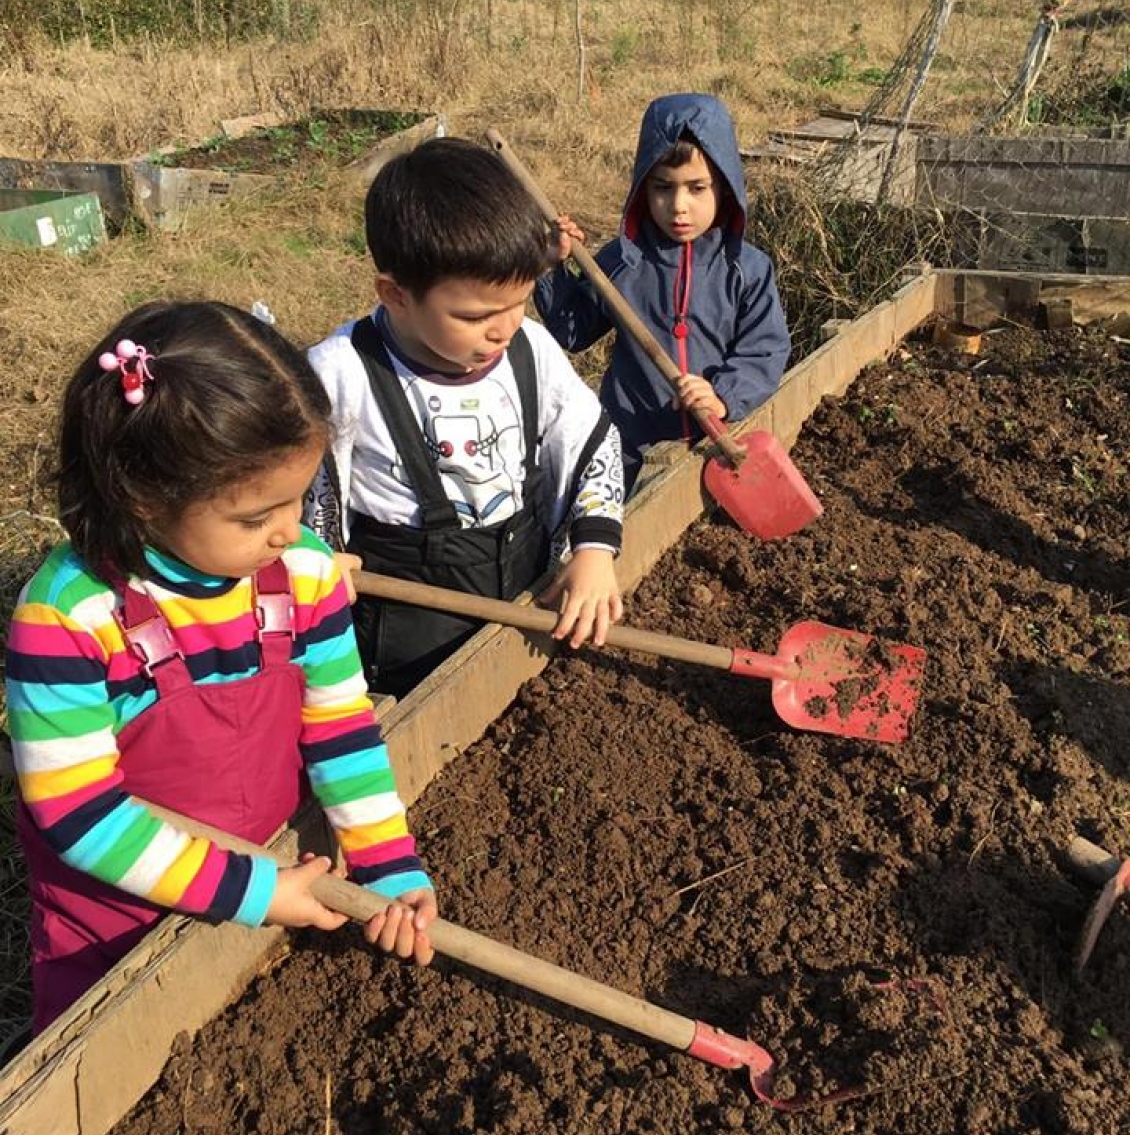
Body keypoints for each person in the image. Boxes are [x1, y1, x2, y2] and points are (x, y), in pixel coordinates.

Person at [5, 301, 436, 1036]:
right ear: (145, 497)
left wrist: (388, 863)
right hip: (117, 912)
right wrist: (256, 890)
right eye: (253, 515)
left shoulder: (302, 575)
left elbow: (341, 728)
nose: (287, 527)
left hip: (267, 857)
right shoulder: (69, 617)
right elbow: (81, 815)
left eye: (298, 497)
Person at [305, 137, 624, 699]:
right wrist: (318, 558)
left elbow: (590, 442)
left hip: (522, 576)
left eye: (519, 302)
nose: (503, 328)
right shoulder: (344, 373)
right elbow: (299, 487)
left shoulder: (530, 349)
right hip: (406, 612)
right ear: (396, 295)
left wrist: (595, 551)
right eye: (475, 315)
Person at [535, 92, 791, 490]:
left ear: (724, 186)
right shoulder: (623, 261)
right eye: (662, 188)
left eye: (697, 188)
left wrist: (722, 394)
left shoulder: (746, 268)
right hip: (631, 443)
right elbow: (573, 331)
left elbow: (765, 349)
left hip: (717, 446)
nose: (678, 206)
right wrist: (553, 267)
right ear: (642, 189)